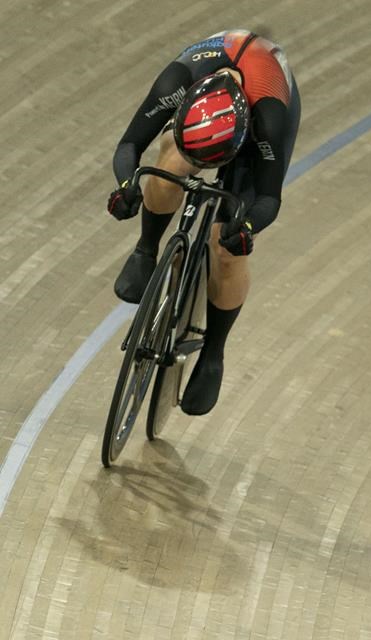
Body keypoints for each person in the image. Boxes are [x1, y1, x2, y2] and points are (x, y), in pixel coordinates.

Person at [106, 30, 300, 415]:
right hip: (207, 108)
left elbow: (268, 198)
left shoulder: (269, 121)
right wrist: (127, 186)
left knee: (226, 250)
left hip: (261, 111)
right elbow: (129, 146)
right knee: (171, 166)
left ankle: (214, 353)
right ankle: (147, 248)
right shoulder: (176, 84)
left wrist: (246, 229)